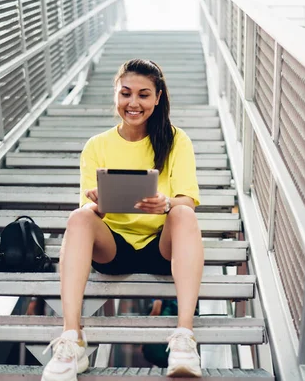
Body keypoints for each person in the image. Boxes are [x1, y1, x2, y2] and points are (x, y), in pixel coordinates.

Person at [41, 59, 204, 380]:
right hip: (113, 248)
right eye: (125, 93)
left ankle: (185, 338)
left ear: (158, 98)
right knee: (78, 218)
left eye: (143, 95)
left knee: (183, 212)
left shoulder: (176, 140)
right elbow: (86, 213)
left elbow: (187, 200)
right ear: (115, 94)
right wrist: (97, 205)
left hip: (162, 248)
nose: (133, 103)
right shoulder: (96, 145)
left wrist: (167, 204)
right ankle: (72, 339)